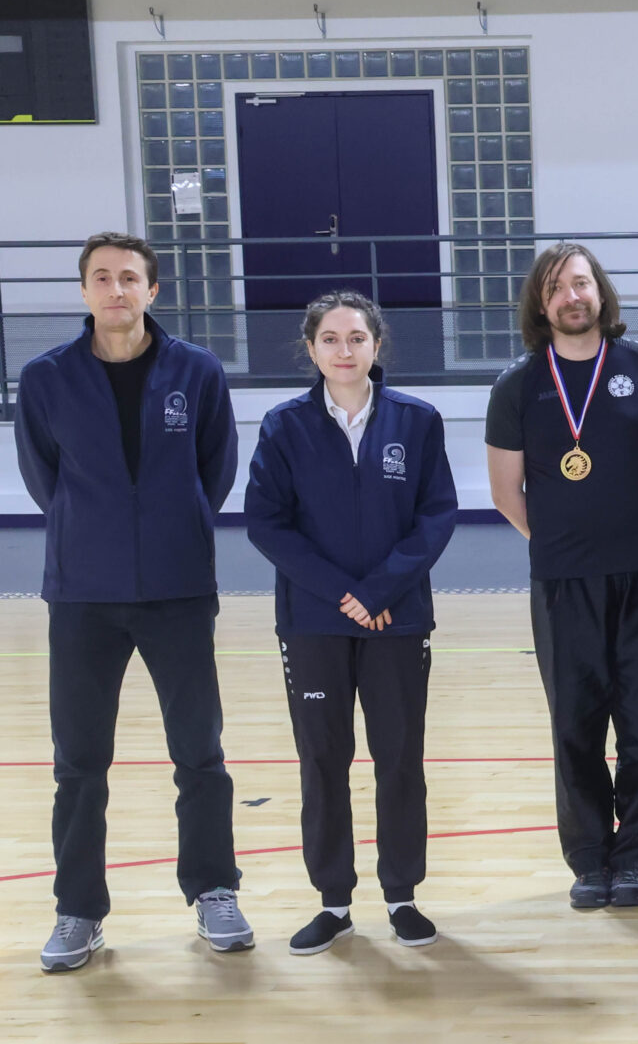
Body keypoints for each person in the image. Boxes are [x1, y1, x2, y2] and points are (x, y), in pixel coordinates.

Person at [21, 232, 253, 971]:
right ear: (84, 290)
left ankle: (214, 889)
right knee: (78, 760)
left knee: (200, 753)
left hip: (178, 588)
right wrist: (95, 531)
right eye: (102, 277)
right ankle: (79, 910)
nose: (115, 289)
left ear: (152, 290)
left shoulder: (197, 370)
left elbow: (214, 470)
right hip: (82, 594)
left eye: (129, 277)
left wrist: (169, 527)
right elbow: (44, 479)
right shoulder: (46, 377)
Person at [244, 291, 459, 954]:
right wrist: (347, 594)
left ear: (376, 344)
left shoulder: (417, 421)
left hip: (397, 620)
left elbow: (436, 515)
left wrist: (380, 589)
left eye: (357, 338)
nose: (345, 350)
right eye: (331, 339)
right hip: (315, 622)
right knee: (323, 761)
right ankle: (333, 901)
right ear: (311, 349)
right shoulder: (284, 426)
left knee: (399, 759)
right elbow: (267, 524)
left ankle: (402, 895)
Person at [486, 243, 638, 910]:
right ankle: (590, 858)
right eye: (556, 288)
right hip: (564, 580)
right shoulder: (518, 384)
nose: (571, 296)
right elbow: (506, 492)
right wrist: (561, 544)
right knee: (575, 722)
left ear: (600, 292)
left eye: (580, 283)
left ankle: (636, 855)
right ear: (540, 305)